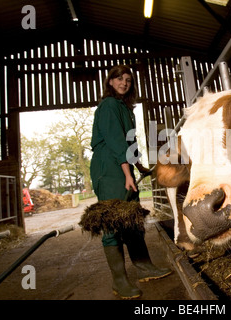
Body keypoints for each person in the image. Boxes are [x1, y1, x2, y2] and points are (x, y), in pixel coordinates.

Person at [90, 65, 172, 299]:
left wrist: (137, 166)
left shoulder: (126, 109)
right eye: (119, 79)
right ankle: (119, 281)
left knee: (132, 219)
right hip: (109, 165)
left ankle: (144, 266)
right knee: (113, 220)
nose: (124, 83)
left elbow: (130, 142)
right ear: (110, 81)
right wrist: (127, 174)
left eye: (128, 80)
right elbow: (116, 142)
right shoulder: (108, 106)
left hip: (123, 165)